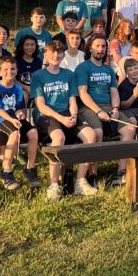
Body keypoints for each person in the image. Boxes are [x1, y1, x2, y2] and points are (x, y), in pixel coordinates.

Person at [31, 41, 97, 200]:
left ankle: (80, 181)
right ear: (46, 54)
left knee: (90, 135)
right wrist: (61, 118)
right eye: (52, 52)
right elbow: (40, 105)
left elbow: (72, 100)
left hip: (67, 112)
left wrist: (73, 115)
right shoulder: (38, 75)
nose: (56, 55)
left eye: (59, 52)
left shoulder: (68, 74)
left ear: (63, 55)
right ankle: (54, 184)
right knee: (59, 137)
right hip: (46, 115)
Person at [75, 35, 129, 187]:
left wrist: (116, 108)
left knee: (129, 129)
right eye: (97, 46)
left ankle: (121, 173)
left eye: (103, 46)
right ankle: (93, 174)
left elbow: (114, 91)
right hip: (88, 107)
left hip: (108, 106)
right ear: (90, 48)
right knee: (97, 133)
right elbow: (83, 93)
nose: (100, 49)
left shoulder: (108, 69)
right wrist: (98, 111)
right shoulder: (83, 67)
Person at [0, 56, 40, 190]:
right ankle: (6, 171)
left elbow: (20, 108)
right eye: (5, 69)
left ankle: (30, 168)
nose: (9, 71)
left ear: (16, 71)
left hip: (13, 117)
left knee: (33, 132)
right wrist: (12, 119)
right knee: (14, 133)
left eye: (12, 69)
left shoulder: (18, 89)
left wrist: (20, 114)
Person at [14, 34, 43, 100]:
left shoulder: (38, 61)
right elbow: (13, 79)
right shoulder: (15, 61)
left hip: (34, 90)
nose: (30, 47)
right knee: (24, 95)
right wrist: (26, 88)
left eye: (32, 45)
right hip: (18, 89)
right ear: (22, 46)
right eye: (26, 45)